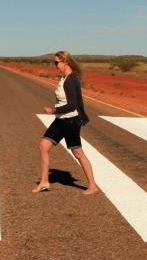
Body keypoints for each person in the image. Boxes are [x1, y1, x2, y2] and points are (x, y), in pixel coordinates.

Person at [32, 51, 99, 195]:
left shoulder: (71, 79)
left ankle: (92, 185)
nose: (55, 65)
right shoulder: (65, 78)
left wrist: (53, 110)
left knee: (78, 153)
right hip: (62, 119)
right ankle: (44, 182)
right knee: (44, 145)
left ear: (65, 62)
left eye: (57, 62)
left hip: (70, 121)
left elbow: (72, 105)